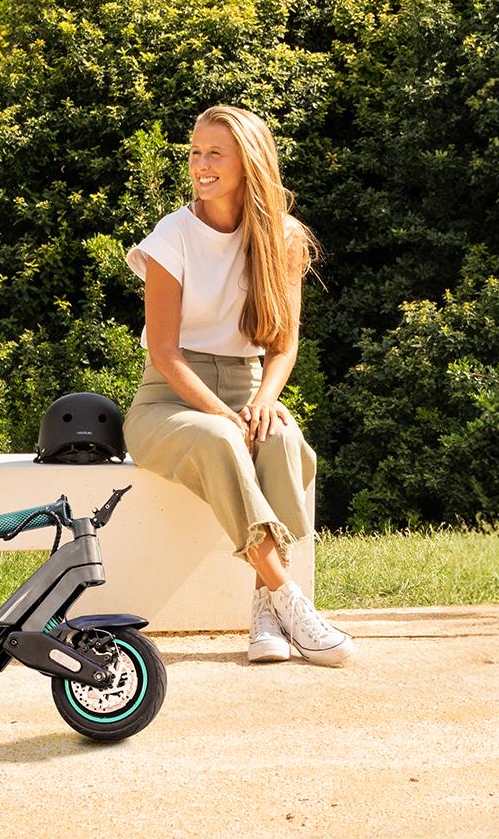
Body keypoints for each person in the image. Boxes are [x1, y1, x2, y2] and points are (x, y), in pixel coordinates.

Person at [123, 105, 354, 667]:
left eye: (214, 154)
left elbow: (283, 346)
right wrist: (226, 417)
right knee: (225, 438)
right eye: (195, 153)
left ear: (248, 162)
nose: (200, 165)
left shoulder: (283, 238)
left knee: (283, 440)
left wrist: (263, 402)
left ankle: (264, 616)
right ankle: (290, 600)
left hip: (249, 389)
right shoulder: (173, 235)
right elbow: (165, 353)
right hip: (170, 401)